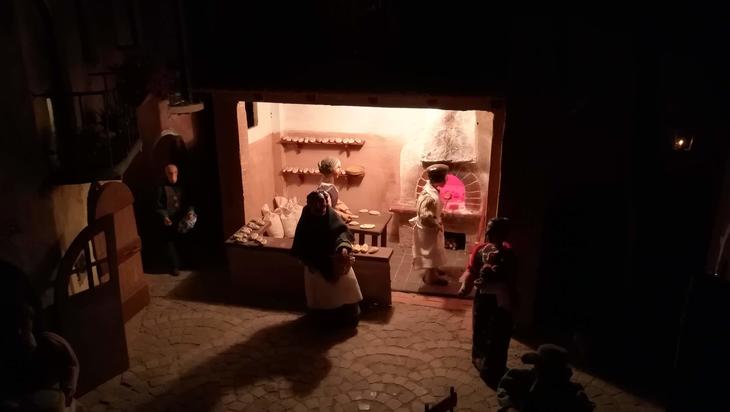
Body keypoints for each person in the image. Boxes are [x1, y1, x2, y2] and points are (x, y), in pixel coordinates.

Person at [1, 262, 79, 411]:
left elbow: (72, 362)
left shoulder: (47, 340)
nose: (19, 332)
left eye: (23, 324)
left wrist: (68, 389)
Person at [458, 217, 517, 386]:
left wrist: (494, 276)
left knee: (498, 334)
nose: (489, 233)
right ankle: (479, 358)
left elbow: (510, 279)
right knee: (480, 328)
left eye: (493, 231)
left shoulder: (508, 254)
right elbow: (471, 270)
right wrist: (465, 287)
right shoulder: (480, 250)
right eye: (488, 229)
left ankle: (493, 368)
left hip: (500, 301)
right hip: (482, 298)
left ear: (503, 234)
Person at [291, 191, 363, 328]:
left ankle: (348, 317)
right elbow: (301, 239)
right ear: (310, 204)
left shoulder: (330, 214)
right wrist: (306, 258)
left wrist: (343, 246)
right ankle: (323, 322)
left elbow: (341, 231)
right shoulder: (306, 217)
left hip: (335, 259)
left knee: (345, 290)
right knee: (321, 294)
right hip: (315, 262)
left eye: (322, 203)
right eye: (316, 204)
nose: (320, 207)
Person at [497, 344, 595, 412]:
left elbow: (586, 406)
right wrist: (509, 407)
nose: (536, 367)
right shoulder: (526, 376)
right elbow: (504, 387)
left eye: (541, 366)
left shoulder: (570, 390)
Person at [411, 164, 450, 286]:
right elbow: (424, 214)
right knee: (431, 253)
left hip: (432, 227)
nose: (446, 179)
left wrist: (439, 214)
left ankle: (435, 269)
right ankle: (431, 277)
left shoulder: (432, 189)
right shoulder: (429, 196)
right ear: (440, 178)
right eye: (445, 177)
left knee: (436, 250)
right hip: (428, 229)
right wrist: (435, 224)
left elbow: (433, 208)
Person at [155, 163, 196, 276]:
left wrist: (190, 211)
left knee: (186, 239)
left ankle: (188, 263)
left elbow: (190, 202)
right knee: (170, 242)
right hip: (169, 219)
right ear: (166, 174)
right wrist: (164, 216)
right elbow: (158, 206)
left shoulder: (183, 186)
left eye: (174, 173)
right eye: (170, 173)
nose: (172, 176)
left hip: (183, 219)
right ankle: (175, 266)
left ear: (177, 173)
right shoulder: (161, 188)